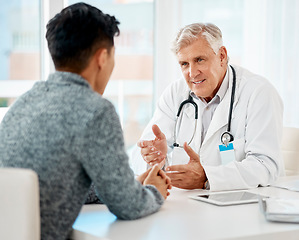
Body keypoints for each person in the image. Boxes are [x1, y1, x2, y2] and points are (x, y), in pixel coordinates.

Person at [0, 3, 171, 240]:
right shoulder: (95, 111)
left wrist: (127, 185)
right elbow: (129, 207)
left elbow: (59, 182)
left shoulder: (23, 104)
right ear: (102, 57)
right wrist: (154, 191)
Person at [131, 23, 284, 191]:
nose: (192, 73)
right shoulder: (175, 93)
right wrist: (155, 158)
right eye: (184, 64)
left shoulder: (259, 93)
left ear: (222, 56)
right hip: (187, 206)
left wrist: (207, 177)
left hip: (243, 207)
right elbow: (137, 159)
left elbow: (266, 166)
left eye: (199, 60)